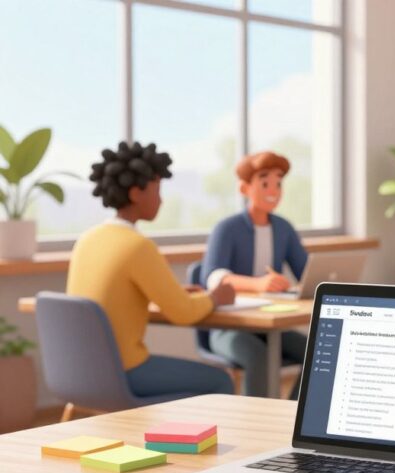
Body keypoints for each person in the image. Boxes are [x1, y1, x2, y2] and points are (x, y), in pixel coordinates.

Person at [68, 141, 236, 398]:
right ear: (136, 193)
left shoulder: (87, 239)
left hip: (82, 373)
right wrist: (215, 297)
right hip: (125, 371)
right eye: (157, 189)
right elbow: (183, 313)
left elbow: (114, 295)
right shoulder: (137, 246)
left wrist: (174, 292)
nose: (161, 199)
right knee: (221, 382)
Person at [200, 151, 309, 398]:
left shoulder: (283, 228)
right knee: (258, 357)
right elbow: (214, 278)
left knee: (318, 351)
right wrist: (259, 284)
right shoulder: (227, 229)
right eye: (265, 183)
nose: (273, 190)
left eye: (278, 183)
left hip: (270, 326)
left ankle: (291, 412)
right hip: (229, 328)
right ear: (245, 188)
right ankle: (256, 423)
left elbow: (305, 271)